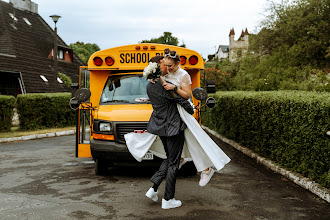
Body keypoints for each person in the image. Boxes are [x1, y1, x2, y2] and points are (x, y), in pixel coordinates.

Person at [144, 56, 194, 209]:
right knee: (174, 161)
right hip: (173, 127)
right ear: (158, 67)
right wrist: (191, 108)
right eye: (163, 65)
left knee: (170, 158)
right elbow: (182, 101)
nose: (166, 67)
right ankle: (168, 199)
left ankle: (153, 189)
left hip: (160, 126)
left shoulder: (149, 85)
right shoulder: (166, 85)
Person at [159, 49, 215, 187]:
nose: (168, 68)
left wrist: (174, 87)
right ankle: (180, 157)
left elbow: (186, 95)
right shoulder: (166, 72)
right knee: (173, 136)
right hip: (170, 111)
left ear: (178, 63)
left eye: (170, 66)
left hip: (182, 109)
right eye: (166, 65)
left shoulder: (184, 75)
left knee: (192, 137)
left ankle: (206, 169)